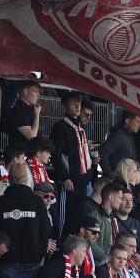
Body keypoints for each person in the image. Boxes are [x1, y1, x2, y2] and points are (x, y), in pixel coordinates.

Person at [50, 92, 91, 226]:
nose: (77, 106)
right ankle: (62, 245)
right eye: (73, 103)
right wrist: (65, 177)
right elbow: (56, 154)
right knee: (65, 217)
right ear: (64, 106)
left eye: (79, 103)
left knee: (79, 217)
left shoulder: (80, 128)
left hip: (83, 180)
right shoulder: (60, 127)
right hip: (69, 181)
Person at [1, 80, 42, 152]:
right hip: (20, 157)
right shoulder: (18, 111)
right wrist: (37, 115)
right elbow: (32, 137)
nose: (38, 95)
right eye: (35, 91)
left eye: (39, 92)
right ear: (25, 91)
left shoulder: (31, 110)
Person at [99, 112, 140, 177]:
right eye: (138, 121)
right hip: (115, 182)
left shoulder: (130, 136)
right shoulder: (118, 135)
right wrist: (109, 175)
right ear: (127, 121)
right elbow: (103, 153)